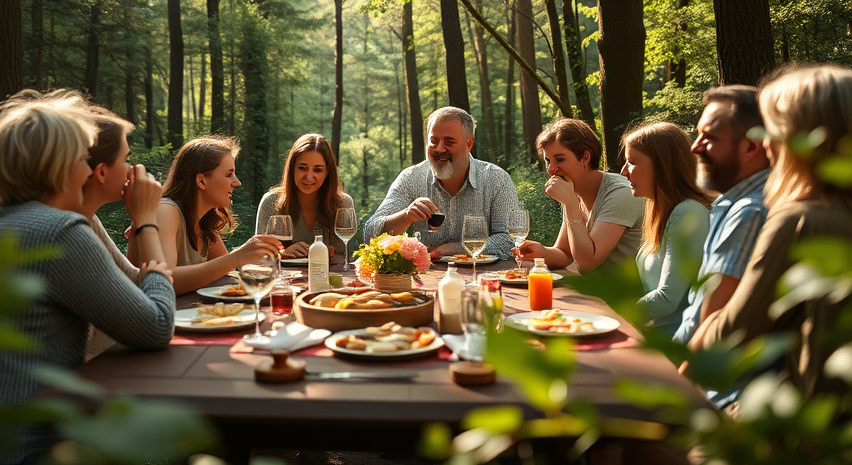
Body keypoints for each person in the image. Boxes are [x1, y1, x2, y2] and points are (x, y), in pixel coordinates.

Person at [0, 90, 175, 465]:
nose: (87, 170)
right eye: (80, 158)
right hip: (22, 448)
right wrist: (153, 254)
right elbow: (156, 328)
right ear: (55, 166)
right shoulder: (58, 230)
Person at [690, 64, 852, 401]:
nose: (766, 146)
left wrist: (705, 331)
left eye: (774, 131)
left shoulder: (799, 219)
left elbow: (732, 335)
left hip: (801, 431)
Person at [672, 86, 770, 346]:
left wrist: (670, 377)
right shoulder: (731, 203)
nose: (695, 148)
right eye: (697, 135)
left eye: (709, 137)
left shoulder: (750, 211)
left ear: (751, 147)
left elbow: (711, 321)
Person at [127, 135, 282, 294]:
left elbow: (224, 270)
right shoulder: (166, 210)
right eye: (229, 174)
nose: (237, 182)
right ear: (201, 181)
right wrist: (237, 257)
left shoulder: (205, 220)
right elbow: (165, 282)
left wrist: (251, 253)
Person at [362, 107, 521, 260]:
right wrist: (406, 216)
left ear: (469, 144)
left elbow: (509, 240)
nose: (439, 149)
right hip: (425, 280)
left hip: (482, 278)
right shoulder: (411, 178)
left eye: (449, 142)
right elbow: (370, 234)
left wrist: (455, 249)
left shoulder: (496, 179)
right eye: (433, 141)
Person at [516, 118, 645, 272]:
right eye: (548, 161)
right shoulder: (573, 190)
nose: (551, 169)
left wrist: (571, 205)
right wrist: (541, 252)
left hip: (629, 293)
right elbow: (564, 253)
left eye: (560, 159)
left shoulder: (621, 194)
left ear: (585, 158)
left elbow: (587, 263)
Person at [621, 122, 712, 336]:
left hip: (675, 342)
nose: (624, 171)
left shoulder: (688, 212)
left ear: (662, 165)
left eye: (632, 162)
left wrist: (616, 316)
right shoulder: (661, 211)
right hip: (652, 333)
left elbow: (668, 299)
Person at [81, 106, 165, 285]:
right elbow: (157, 312)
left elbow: (132, 279)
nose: (130, 169)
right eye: (125, 160)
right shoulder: (73, 234)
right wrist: (147, 221)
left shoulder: (90, 220)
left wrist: (138, 220)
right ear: (102, 172)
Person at [255, 133, 353, 259]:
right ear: (292, 169)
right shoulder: (271, 202)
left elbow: (349, 256)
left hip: (329, 277)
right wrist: (281, 253)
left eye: (317, 170)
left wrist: (330, 254)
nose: (309, 176)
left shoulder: (343, 203)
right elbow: (257, 255)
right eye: (302, 168)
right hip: (283, 277)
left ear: (328, 172)